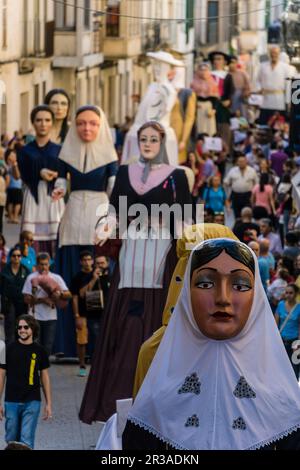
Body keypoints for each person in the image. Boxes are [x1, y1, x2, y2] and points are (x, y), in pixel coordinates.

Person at [123, 238, 300, 450]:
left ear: (257, 297)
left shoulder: (283, 402)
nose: (223, 298)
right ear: (187, 294)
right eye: (206, 283)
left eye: (240, 285)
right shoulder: (156, 398)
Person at [79, 120, 192, 423]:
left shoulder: (177, 176)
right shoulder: (124, 174)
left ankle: (155, 401)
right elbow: (113, 212)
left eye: (154, 139)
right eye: (143, 139)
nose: (148, 144)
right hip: (130, 255)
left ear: (163, 142)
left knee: (157, 319)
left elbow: (184, 219)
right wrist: (103, 228)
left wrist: (191, 247)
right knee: (124, 322)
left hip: (161, 252)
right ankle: (115, 399)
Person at [52, 105, 118, 357]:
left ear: (101, 126)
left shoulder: (109, 157)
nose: (86, 128)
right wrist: (58, 190)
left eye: (92, 123)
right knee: (72, 275)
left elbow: (114, 186)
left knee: (96, 281)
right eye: (81, 123)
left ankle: (95, 345)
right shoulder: (66, 154)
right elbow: (60, 179)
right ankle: (68, 345)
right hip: (72, 216)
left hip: (99, 214)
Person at [17, 105, 65, 258]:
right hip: (33, 197)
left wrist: (57, 175)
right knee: (31, 240)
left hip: (53, 197)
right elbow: (23, 175)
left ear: (52, 123)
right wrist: (39, 172)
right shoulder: (25, 151)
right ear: (33, 123)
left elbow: (65, 174)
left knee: (55, 240)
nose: (43, 124)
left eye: (47, 120)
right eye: (39, 120)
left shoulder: (59, 150)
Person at [0, 315, 52, 449]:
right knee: (11, 439)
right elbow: (1, 375)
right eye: (19, 327)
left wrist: (48, 404)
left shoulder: (40, 351)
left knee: (26, 440)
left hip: (32, 400)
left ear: (33, 329)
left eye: (25, 327)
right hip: (11, 400)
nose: (22, 330)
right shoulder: (8, 349)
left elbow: (45, 377)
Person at [121, 51, 182, 166]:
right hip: (139, 131)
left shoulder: (168, 91)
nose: (157, 69)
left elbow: (158, 114)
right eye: (155, 65)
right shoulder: (152, 86)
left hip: (152, 132)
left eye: (161, 66)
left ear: (168, 69)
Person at [22, 253, 71, 356]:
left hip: (51, 317)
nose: (44, 267)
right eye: (41, 264)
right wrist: (44, 300)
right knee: (35, 345)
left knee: (48, 347)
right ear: (37, 264)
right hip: (34, 317)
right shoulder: (31, 278)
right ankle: (34, 370)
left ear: (49, 264)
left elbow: (68, 294)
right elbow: (26, 299)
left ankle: (42, 370)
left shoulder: (56, 277)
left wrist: (60, 294)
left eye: (45, 264)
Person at [71, 251, 110, 377]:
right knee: (82, 341)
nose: (88, 262)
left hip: (101, 312)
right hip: (84, 313)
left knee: (100, 339)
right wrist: (76, 315)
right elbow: (79, 295)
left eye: (89, 259)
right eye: (85, 260)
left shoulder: (105, 275)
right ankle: (82, 366)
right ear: (81, 262)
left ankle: (100, 366)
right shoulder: (79, 277)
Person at [0, 247, 30, 344]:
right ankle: (9, 355)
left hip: (22, 303)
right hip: (9, 303)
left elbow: (30, 288)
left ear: (21, 257)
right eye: (14, 256)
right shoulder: (4, 271)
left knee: (22, 328)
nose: (16, 258)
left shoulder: (25, 270)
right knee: (10, 330)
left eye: (18, 255)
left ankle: (21, 352)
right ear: (11, 257)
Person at [256, 46, 292, 125]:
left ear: (279, 54)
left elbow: (288, 85)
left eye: (275, 53)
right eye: (272, 53)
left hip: (279, 101)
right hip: (265, 101)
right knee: (263, 125)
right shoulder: (263, 66)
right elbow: (258, 81)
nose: (274, 55)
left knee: (278, 126)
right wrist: (259, 89)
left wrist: (288, 101)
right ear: (269, 54)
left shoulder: (285, 67)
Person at [169, 64, 197, 164]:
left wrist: (184, 140)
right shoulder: (164, 90)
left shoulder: (187, 94)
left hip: (178, 132)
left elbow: (189, 118)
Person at [275, 283, 300, 380]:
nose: (288, 295)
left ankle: (295, 392)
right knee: (280, 368)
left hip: (294, 343)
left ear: (296, 293)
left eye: (291, 293)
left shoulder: (299, 308)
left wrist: (298, 344)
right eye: (286, 292)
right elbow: (275, 325)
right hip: (281, 342)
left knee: (295, 369)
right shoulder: (280, 305)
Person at [190, 63, 219, 137]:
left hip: (209, 108)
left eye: (205, 70)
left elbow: (215, 98)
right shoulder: (194, 82)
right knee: (199, 128)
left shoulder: (212, 82)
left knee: (210, 129)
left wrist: (214, 110)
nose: (203, 72)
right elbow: (192, 96)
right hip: (198, 107)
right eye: (201, 70)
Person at [5, 149, 23, 224]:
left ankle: (12, 217)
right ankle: (13, 217)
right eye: (12, 155)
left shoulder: (9, 165)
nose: (13, 156)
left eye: (14, 155)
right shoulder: (14, 164)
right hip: (16, 186)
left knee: (11, 202)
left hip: (13, 186)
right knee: (16, 202)